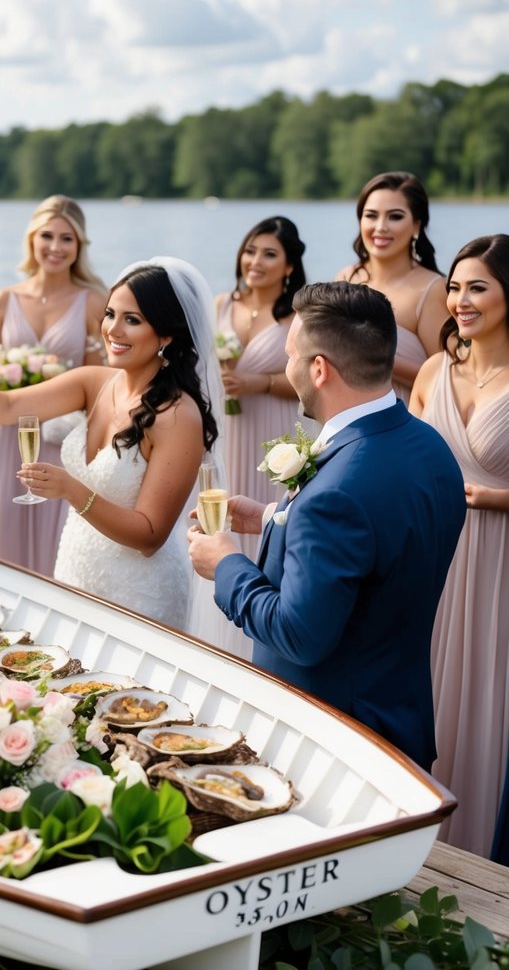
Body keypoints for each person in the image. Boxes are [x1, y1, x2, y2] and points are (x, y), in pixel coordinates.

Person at [188, 281, 466, 770]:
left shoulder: (337, 493)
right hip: (398, 718)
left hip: (331, 740)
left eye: (290, 355)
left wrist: (226, 564)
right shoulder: (430, 447)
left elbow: (300, 635)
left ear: (319, 369)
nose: (287, 366)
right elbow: (378, 549)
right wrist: (277, 518)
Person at [0, 258, 223, 630]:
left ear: (166, 336)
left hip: (141, 595)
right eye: (110, 313)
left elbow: (149, 536)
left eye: (133, 319)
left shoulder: (177, 416)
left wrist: (71, 490)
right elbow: (9, 405)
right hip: (74, 570)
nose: (113, 329)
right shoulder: (94, 382)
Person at [410, 235, 509, 861]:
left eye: (477, 287)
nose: (460, 300)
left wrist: (494, 498)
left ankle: (486, 854)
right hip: (436, 553)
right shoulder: (432, 370)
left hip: (502, 557)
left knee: (493, 693)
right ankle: (423, 845)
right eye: (454, 286)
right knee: (432, 689)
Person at [0, 195, 106, 575]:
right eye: (47, 235)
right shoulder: (3, 300)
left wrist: (56, 390)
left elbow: (100, 385)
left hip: (61, 441)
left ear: (79, 245)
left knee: (56, 550)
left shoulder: (92, 302)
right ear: (32, 239)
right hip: (10, 440)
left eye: (66, 238)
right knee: (6, 541)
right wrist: (8, 375)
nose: (55, 247)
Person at [214, 215, 308, 561]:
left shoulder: (298, 315)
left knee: (265, 514)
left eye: (269, 254)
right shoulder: (223, 304)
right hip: (225, 428)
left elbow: (312, 379)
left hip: (274, 432)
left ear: (289, 266)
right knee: (220, 509)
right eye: (250, 251)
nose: (255, 261)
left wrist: (262, 382)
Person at [335, 171, 447, 405]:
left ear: (417, 224)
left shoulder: (432, 288)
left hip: (403, 417)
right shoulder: (345, 278)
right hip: (347, 417)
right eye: (371, 216)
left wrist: (376, 356)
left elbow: (445, 379)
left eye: (395, 217)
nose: (380, 227)